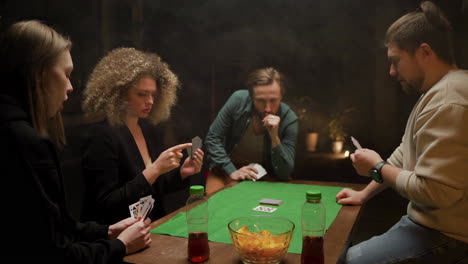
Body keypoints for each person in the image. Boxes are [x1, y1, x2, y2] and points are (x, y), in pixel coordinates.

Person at [0, 20, 151, 263]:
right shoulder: (25, 142)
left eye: (153, 94)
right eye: (67, 74)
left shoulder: (143, 130)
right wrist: (120, 246)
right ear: (39, 75)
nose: (70, 87)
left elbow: (56, 226)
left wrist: (106, 231)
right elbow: (53, 253)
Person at [336, 2, 468, 263]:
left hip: (449, 233)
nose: (392, 71)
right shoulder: (438, 91)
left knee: (348, 260)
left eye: (396, 61)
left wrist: (379, 166)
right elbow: (404, 153)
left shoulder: (449, 100)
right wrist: (364, 193)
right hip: (425, 222)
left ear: (424, 52)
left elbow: (436, 192)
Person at [80, 47, 204, 225]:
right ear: (119, 94)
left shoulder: (147, 128)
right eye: (141, 94)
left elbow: (153, 187)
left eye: (153, 95)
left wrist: (182, 173)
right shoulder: (101, 135)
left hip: (149, 227)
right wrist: (155, 169)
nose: (151, 101)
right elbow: (105, 203)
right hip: (116, 237)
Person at [204, 67, 298, 194]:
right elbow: (212, 138)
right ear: (251, 97)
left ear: (281, 96)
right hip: (226, 168)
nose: (268, 108)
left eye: (273, 100)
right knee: (215, 205)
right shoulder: (238, 100)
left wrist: (274, 137)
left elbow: (284, 172)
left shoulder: (289, 118)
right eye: (260, 101)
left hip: (264, 173)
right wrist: (231, 171)